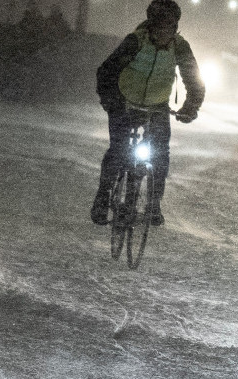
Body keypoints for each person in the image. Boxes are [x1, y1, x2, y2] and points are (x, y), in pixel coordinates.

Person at [90, 0, 203, 227]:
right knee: (119, 150)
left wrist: (190, 108)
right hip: (124, 102)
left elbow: (194, 81)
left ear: (175, 27)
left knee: (160, 152)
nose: (165, 32)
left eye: (170, 26)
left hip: (157, 106)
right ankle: (103, 196)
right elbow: (107, 71)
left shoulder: (180, 47)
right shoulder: (135, 41)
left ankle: (153, 203)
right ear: (151, 25)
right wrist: (110, 99)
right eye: (160, 26)